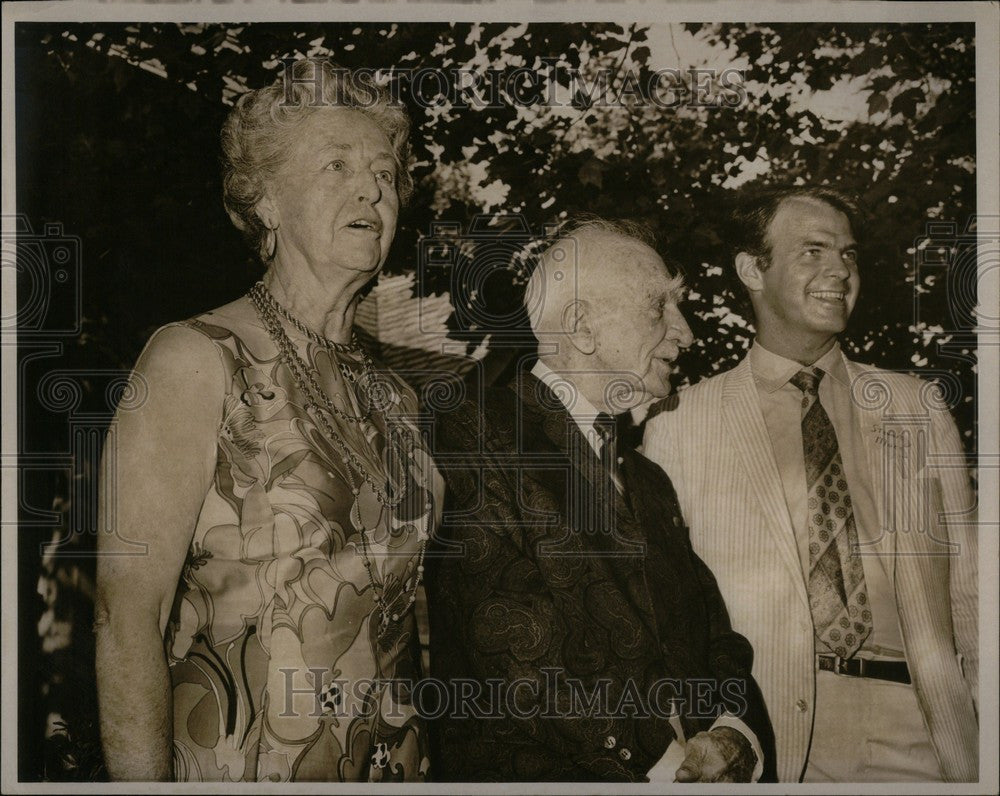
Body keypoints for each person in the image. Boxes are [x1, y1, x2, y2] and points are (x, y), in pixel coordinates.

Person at [94, 59, 441, 782]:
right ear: (267, 203)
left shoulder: (395, 398)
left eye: (384, 172)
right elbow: (127, 621)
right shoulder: (193, 359)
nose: (371, 189)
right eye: (336, 165)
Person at [643, 186, 979, 782]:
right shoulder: (678, 422)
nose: (839, 271)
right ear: (753, 268)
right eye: (813, 251)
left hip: (923, 731)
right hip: (767, 736)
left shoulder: (917, 407)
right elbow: (669, 610)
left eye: (848, 255)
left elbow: (972, 594)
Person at [425, 218, 776, 782]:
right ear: (581, 326)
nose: (686, 334)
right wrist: (672, 771)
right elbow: (518, 653)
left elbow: (712, 633)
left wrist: (735, 731)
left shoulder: (648, 480)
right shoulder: (472, 438)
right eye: (659, 308)